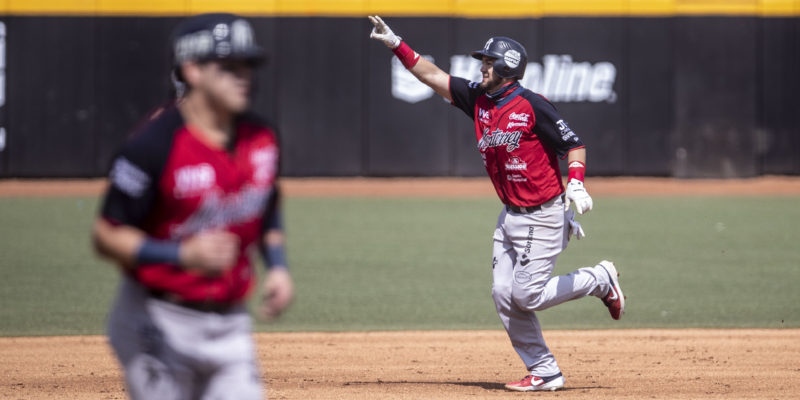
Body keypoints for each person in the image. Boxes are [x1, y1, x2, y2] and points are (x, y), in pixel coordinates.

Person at [368, 16, 625, 392]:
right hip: (510, 216)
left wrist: (577, 185)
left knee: (527, 295)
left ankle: (599, 279)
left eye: (488, 62)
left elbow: (575, 144)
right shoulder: (478, 99)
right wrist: (396, 43)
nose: (481, 67)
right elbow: (433, 76)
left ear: (506, 67)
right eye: (482, 61)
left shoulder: (533, 106)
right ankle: (545, 370)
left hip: (545, 213)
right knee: (503, 294)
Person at [92, 13, 293, 399]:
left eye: (248, 65)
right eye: (229, 67)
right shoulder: (153, 144)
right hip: (154, 321)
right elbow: (106, 235)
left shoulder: (262, 137)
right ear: (193, 69)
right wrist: (179, 254)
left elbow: (267, 202)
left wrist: (279, 267)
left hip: (231, 323)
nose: (244, 77)